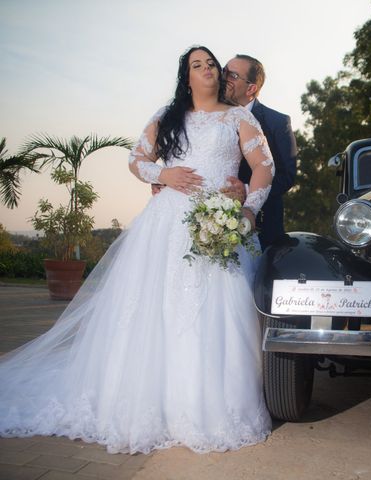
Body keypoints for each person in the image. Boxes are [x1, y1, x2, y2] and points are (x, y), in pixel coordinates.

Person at [0, 46, 273, 454]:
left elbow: (265, 167)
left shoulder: (239, 118)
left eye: (211, 64)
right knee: (154, 309)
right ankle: (145, 401)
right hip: (165, 225)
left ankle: (205, 405)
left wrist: (248, 210)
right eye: (197, 66)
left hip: (218, 221)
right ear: (186, 77)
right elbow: (135, 158)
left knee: (215, 311)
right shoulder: (168, 115)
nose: (207, 70)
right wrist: (163, 172)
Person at [224, 54, 297, 250]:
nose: (224, 79)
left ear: (251, 88)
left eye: (232, 75)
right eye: (224, 72)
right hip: (209, 221)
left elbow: (287, 176)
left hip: (262, 227)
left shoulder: (277, 122)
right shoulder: (209, 116)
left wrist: (247, 191)